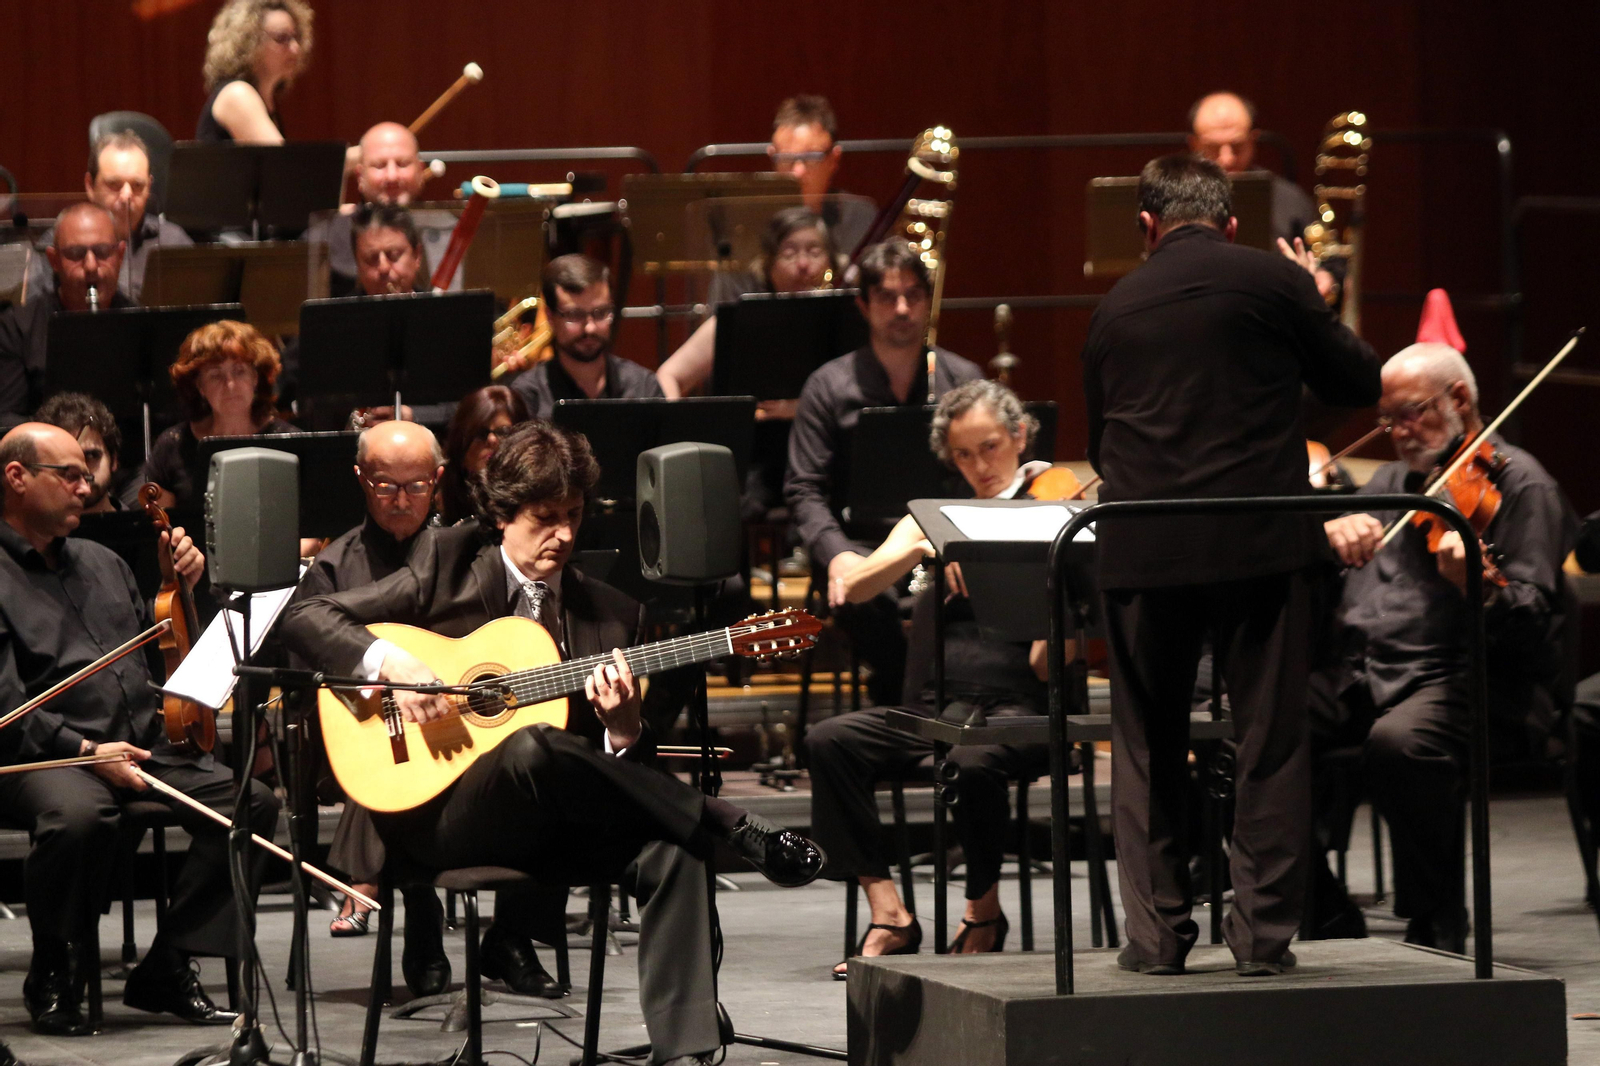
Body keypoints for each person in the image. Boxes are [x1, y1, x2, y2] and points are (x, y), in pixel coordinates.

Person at [279, 420, 824, 1066]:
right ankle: (722, 816)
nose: (564, 535)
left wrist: (624, 730)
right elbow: (307, 617)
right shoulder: (444, 565)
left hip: (553, 830)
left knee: (674, 843)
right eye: (544, 517)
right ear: (503, 515)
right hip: (439, 813)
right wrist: (393, 665)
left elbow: (622, 778)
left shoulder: (613, 613)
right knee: (532, 743)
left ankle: (684, 1049)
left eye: (573, 515)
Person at [1081, 153, 1380, 977]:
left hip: (1143, 546)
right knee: (1268, 743)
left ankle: (1155, 940)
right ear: (1234, 222)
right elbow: (1359, 380)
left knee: (1145, 746)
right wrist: (1315, 295)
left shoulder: (1112, 306)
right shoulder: (1273, 283)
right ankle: (1260, 943)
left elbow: (1100, 432)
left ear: (1146, 227)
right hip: (1259, 545)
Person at [0, 422, 280, 1034]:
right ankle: (54, 969)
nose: (87, 486)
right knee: (79, 817)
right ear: (17, 478)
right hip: (43, 754)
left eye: (88, 474)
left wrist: (181, 588)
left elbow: (166, 661)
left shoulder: (104, 563)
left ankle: (171, 961)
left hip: (141, 743)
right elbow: (5, 704)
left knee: (251, 805)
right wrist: (83, 749)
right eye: (69, 475)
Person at [1312, 342, 1576, 951]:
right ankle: (1319, 905)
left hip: (1471, 680)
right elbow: (1341, 564)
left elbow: (1536, 630)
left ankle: (1436, 917)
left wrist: (1479, 590)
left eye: (1412, 413)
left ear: (1459, 399)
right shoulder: (1391, 480)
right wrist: (1331, 528)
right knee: (1266, 723)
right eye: (1388, 419)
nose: (1399, 431)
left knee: (1403, 743)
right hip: (1367, 673)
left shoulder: (1520, 485)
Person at [806, 380, 1060, 978]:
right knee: (829, 742)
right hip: (934, 708)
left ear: (1020, 436)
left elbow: (1058, 650)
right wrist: (919, 546)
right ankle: (889, 910)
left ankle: (983, 912)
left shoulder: (1050, 509)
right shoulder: (934, 518)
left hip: (1015, 709)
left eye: (991, 448)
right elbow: (857, 587)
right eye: (964, 456)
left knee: (975, 764)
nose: (980, 467)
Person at [785, 239, 983, 708]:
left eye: (913, 295)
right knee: (868, 600)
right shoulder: (828, 386)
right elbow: (803, 490)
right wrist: (837, 556)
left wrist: (964, 546)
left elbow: (983, 479)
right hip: (860, 543)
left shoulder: (962, 379)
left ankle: (932, 707)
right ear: (863, 305)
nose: (902, 309)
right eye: (887, 297)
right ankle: (908, 706)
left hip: (941, 541)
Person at [656, 206, 837, 403]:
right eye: (789, 252)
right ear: (768, 263)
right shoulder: (740, 321)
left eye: (814, 251)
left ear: (830, 261)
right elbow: (668, 375)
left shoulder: (845, 319)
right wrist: (673, 427)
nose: (803, 264)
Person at [1188, 91, 1340, 303]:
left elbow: (1329, 260)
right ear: (1194, 144)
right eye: (1213, 148)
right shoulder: (1175, 197)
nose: (1227, 158)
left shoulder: (1289, 197)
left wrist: (1326, 276)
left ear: (1253, 139)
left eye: (1237, 146)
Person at [135, 320, 294, 512]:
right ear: (200, 387)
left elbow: (310, 533)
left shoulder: (289, 442)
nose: (230, 385)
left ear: (255, 378)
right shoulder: (173, 447)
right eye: (216, 375)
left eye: (239, 371)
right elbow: (164, 529)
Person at [0, 203, 129, 432]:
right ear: (54, 261)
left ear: (120, 254)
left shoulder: (137, 321)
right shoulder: (17, 327)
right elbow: (6, 419)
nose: (91, 266)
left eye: (101, 252)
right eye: (76, 254)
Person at [30, 132, 193, 304]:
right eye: (114, 184)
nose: (126, 196)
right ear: (90, 186)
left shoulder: (173, 241)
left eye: (137, 185)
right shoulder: (61, 243)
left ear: (149, 187)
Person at [505, 254, 664, 417]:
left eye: (601, 313)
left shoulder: (644, 387)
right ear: (551, 317)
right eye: (575, 315)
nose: (590, 328)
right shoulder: (527, 396)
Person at [768, 95, 872, 255]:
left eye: (811, 158)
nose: (798, 172)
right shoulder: (749, 221)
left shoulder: (860, 218)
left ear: (834, 159)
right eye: (787, 159)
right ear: (772, 157)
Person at [196, 0, 312, 143]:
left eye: (296, 37)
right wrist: (345, 158)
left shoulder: (266, 100)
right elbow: (283, 162)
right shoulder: (237, 94)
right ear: (249, 43)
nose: (295, 48)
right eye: (282, 38)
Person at [435, 385, 529, 526]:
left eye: (503, 432)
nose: (492, 440)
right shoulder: (440, 511)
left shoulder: (535, 505)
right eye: (480, 433)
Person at [35, 393, 123, 513]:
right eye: (67, 458)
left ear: (114, 461)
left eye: (91, 456)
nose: (81, 470)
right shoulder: (30, 530)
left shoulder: (143, 529)